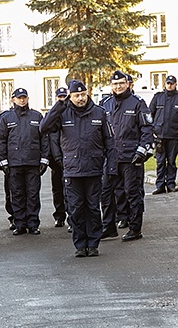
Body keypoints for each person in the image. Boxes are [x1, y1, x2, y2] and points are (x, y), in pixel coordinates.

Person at [40, 79, 115, 257]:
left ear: (87, 93)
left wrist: (111, 167)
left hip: (93, 169)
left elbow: (110, 143)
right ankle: (80, 245)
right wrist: (59, 105)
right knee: (75, 208)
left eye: (83, 94)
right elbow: (44, 127)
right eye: (76, 95)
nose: (80, 98)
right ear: (70, 96)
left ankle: (93, 244)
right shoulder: (63, 113)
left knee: (93, 208)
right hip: (72, 170)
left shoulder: (99, 113)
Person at [100, 70, 154, 242]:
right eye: (115, 84)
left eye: (121, 83)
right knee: (106, 193)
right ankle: (108, 227)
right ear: (111, 85)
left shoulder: (138, 103)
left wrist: (142, 149)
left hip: (131, 157)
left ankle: (135, 228)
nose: (118, 86)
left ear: (128, 84)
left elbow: (147, 128)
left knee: (132, 193)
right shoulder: (105, 104)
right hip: (111, 157)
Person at [0, 87, 49, 235]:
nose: (22, 100)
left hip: (32, 162)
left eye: (24, 97)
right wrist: (3, 161)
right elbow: (1, 140)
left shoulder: (37, 116)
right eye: (19, 98)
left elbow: (44, 139)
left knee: (32, 194)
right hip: (14, 163)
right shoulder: (6, 118)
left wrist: (44, 159)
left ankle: (33, 224)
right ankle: (19, 223)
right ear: (13, 99)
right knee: (17, 194)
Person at [148, 75, 178, 194]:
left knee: (171, 161)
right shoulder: (158, 97)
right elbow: (149, 115)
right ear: (165, 84)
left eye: (172, 83)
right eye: (168, 83)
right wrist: (151, 131)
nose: (169, 85)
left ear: (175, 84)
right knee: (160, 161)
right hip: (159, 135)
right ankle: (160, 185)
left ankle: (171, 184)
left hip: (174, 135)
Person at [47, 86, 69, 228]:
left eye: (64, 97)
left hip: (69, 159)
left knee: (70, 190)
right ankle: (59, 216)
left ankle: (72, 218)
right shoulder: (52, 114)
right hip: (56, 160)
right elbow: (48, 138)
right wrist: (52, 158)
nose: (62, 100)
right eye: (59, 97)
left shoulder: (70, 114)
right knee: (57, 190)